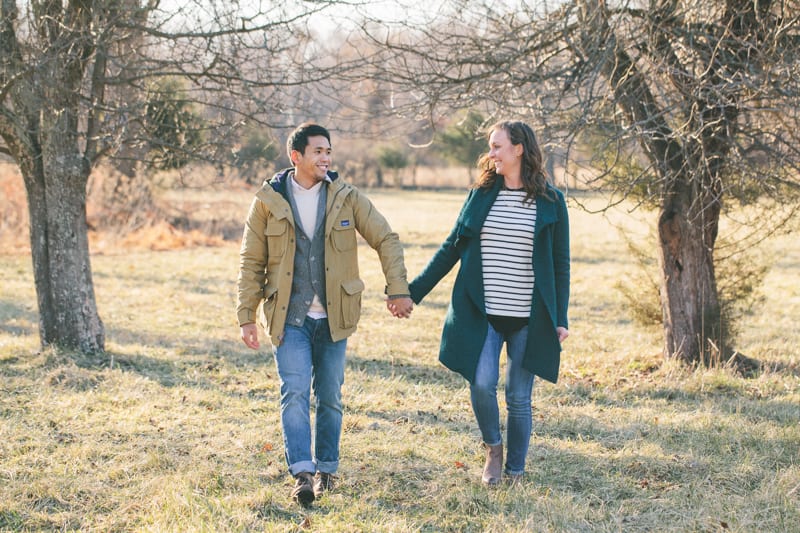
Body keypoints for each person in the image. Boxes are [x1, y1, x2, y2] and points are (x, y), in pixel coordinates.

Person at [236, 123, 413, 506]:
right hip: (289, 317)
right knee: (295, 392)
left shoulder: (346, 197)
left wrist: (397, 289)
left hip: (335, 316)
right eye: (318, 151)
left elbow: (385, 238)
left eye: (328, 151)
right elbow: (252, 261)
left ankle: (327, 470)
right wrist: (246, 315)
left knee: (330, 396)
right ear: (295, 156)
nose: (326, 158)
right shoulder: (268, 201)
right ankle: (302, 472)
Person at [409, 120, 570, 485]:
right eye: (491, 146)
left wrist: (560, 316)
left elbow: (561, 264)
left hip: (530, 316)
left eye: (498, 146)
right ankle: (493, 450)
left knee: (517, 396)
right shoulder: (481, 195)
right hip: (484, 314)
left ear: (519, 150)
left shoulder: (551, 202)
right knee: (482, 383)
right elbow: (451, 247)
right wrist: (412, 292)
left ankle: (515, 470)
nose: (491, 153)